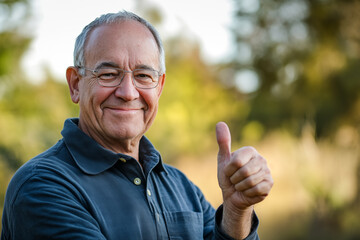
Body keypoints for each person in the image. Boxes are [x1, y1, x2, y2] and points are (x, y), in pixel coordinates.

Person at [1, 11, 273, 240]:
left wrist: (237, 211)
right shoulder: (42, 187)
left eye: (143, 75)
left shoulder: (181, 186)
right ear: (75, 85)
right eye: (108, 74)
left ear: (160, 87)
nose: (128, 92)